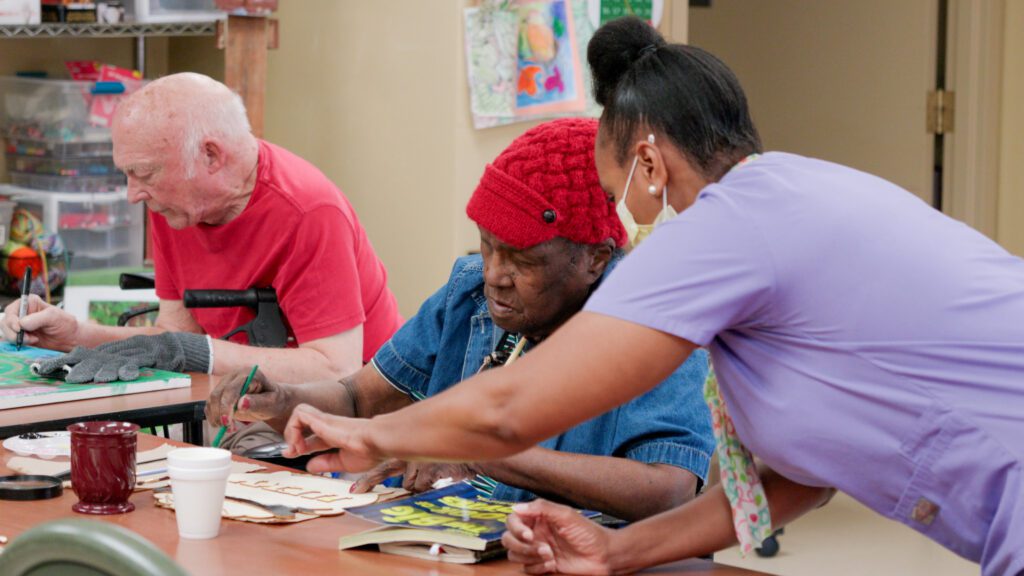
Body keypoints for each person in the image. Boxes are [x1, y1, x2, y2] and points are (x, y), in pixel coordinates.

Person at [275, 17, 1024, 576]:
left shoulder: (723, 231)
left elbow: (509, 411)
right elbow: (793, 480)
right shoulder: (801, 194)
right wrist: (616, 550)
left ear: (648, 161)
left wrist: (378, 435)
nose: (621, 209)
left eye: (612, 189)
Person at [207, 118, 715, 521]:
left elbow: (668, 490)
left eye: (523, 261)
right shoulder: (468, 293)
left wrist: (480, 452)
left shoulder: (654, 325)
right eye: (487, 246)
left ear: (595, 260)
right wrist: (285, 400)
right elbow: (358, 398)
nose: (495, 275)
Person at [1, 73, 402, 385]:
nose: (132, 194)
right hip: (256, 402)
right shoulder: (175, 205)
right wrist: (72, 334)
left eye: (143, 173)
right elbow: (172, 339)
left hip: (363, 418)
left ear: (210, 155)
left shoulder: (309, 211)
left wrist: (195, 352)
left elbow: (335, 369)